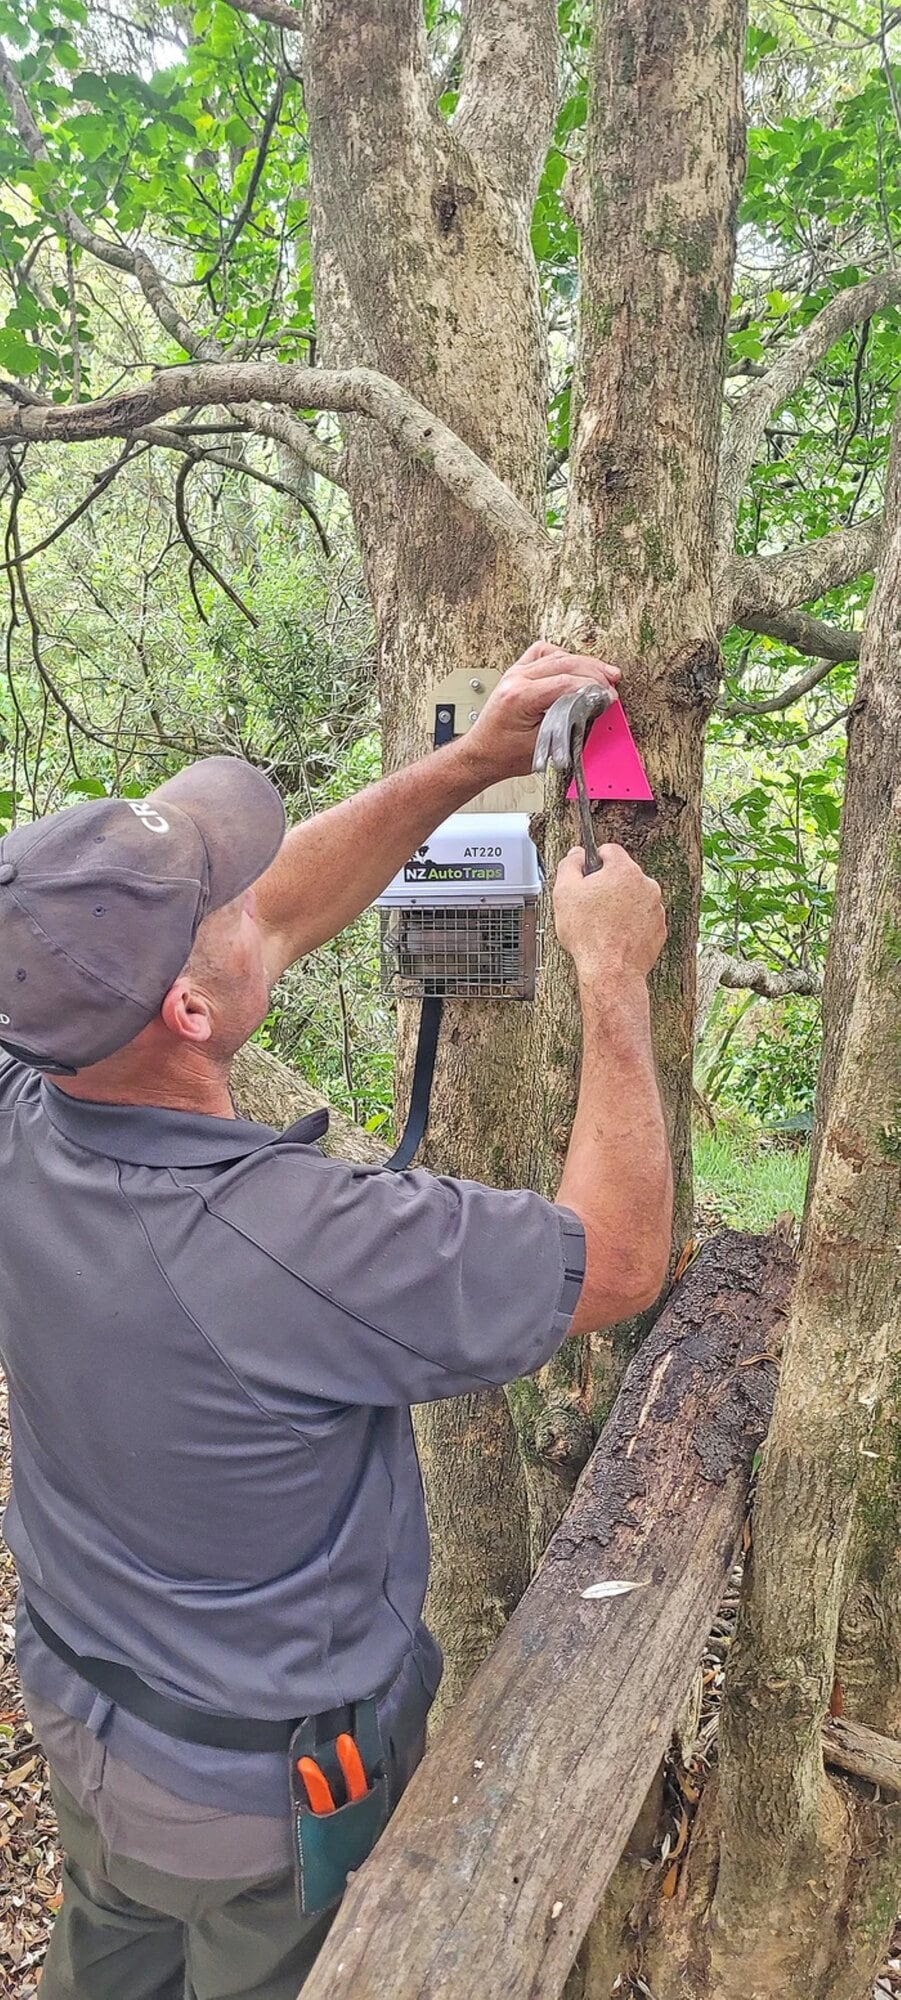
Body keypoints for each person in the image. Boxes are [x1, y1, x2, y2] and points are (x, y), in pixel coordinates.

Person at [0, 642, 671, 2000]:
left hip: (83, 1712)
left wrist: (472, 762)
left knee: (110, 1962)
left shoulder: (32, 1091)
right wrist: (613, 982)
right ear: (189, 1010)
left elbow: (275, 916)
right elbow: (611, 1264)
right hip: (256, 1795)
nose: (263, 897)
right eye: (225, 901)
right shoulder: (295, 1242)